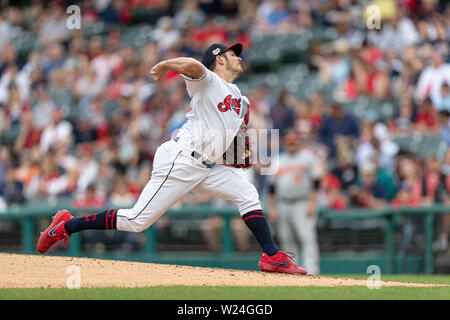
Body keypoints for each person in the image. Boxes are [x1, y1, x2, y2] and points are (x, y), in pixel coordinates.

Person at [37, 42, 307, 274]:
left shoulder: (241, 99)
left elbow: (229, 143)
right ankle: (67, 225)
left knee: (247, 192)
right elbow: (191, 65)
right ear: (219, 59)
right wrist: (166, 64)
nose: (240, 57)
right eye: (233, 54)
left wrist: (240, 155)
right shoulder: (209, 82)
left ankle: (271, 255)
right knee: (136, 221)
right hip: (181, 161)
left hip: (207, 165)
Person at [267, 130, 322, 275]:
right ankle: (292, 269)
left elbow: (317, 182)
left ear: (299, 143)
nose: (291, 145)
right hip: (283, 203)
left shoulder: (308, 158)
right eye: (289, 143)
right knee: (286, 238)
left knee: (307, 237)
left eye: (294, 143)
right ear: (285, 144)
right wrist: (272, 207)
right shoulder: (278, 160)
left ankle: (312, 270)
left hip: (302, 203)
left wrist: (312, 203)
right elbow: (271, 187)